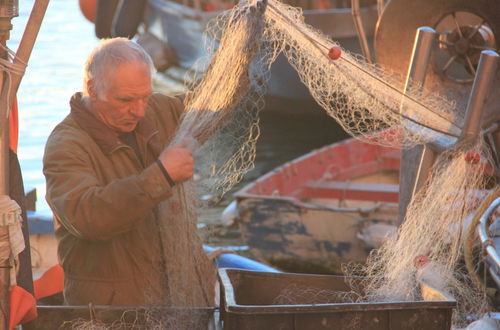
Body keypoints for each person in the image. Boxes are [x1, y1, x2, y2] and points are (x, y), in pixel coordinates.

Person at [42, 38, 215, 306]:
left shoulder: (156, 110)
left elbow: (211, 103)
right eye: (125, 100)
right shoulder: (65, 145)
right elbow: (88, 217)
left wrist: (241, 56)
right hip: (110, 313)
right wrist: (162, 176)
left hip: (172, 300)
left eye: (144, 96)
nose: (138, 111)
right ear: (93, 89)